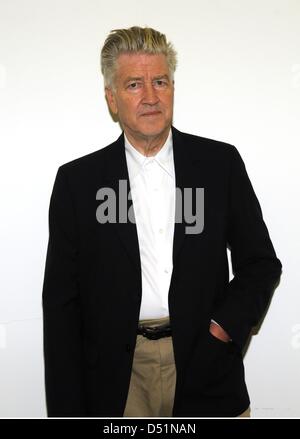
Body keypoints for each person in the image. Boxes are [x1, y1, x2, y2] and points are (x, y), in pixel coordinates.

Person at [42, 26, 282, 418]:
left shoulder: (219, 165)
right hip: (116, 378)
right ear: (112, 99)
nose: (151, 97)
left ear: (173, 88)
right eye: (134, 84)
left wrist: (222, 329)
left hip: (205, 363)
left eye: (160, 82)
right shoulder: (77, 183)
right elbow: (61, 306)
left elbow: (261, 263)